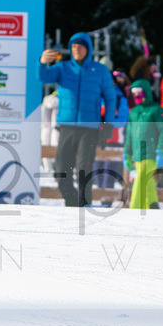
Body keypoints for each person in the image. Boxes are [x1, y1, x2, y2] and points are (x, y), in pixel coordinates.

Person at [38, 32, 120, 207]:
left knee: (84, 168)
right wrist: (42, 63)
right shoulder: (63, 68)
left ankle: (85, 205)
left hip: (89, 128)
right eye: (74, 46)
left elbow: (111, 98)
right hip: (66, 126)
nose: (77, 50)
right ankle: (72, 202)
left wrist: (108, 124)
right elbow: (43, 77)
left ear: (88, 49)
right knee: (61, 169)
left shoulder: (100, 70)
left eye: (80, 46)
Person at [123, 79, 163, 209]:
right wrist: (126, 153)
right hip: (137, 154)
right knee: (146, 181)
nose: (137, 96)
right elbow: (129, 135)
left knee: (140, 179)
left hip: (151, 152)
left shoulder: (155, 110)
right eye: (134, 94)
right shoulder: (134, 112)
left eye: (140, 93)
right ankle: (151, 205)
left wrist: (161, 150)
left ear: (146, 92)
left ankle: (135, 208)